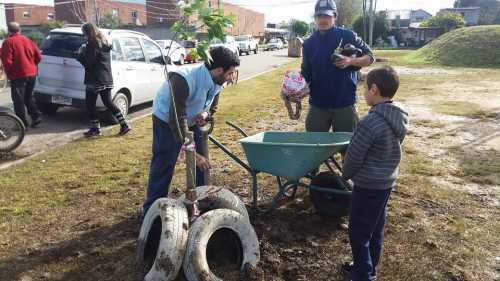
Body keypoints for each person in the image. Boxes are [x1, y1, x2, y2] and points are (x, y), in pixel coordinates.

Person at [142, 46, 240, 216]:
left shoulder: (217, 80)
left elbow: (213, 104)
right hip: (167, 121)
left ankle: (201, 200)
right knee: (164, 163)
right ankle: (151, 211)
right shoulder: (183, 79)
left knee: (203, 164)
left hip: (192, 119)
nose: (232, 77)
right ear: (218, 70)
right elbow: (177, 119)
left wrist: (206, 113)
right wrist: (191, 153)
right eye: (230, 73)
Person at [342, 66, 409, 281]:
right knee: (375, 228)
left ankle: (364, 275)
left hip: (368, 186)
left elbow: (354, 157)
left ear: (374, 89)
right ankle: (368, 267)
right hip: (385, 183)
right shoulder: (398, 117)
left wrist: (345, 175)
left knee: (358, 232)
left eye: (364, 88)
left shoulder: (369, 122)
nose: (362, 92)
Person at [301, 0, 374, 133]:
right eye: (319, 16)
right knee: (316, 146)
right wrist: (298, 88)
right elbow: (305, 73)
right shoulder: (308, 44)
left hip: (345, 103)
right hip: (318, 104)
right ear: (315, 18)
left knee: (347, 147)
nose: (323, 19)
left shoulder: (347, 35)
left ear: (335, 16)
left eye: (327, 16)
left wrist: (350, 61)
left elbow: (370, 57)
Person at [76, 22, 131, 137]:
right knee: (108, 102)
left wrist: (79, 55)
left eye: (83, 33)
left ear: (88, 32)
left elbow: (88, 63)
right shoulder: (104, 42)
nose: (83, 36)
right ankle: (124, 124)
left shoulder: (92, 44)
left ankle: (96, 129)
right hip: (106, 77)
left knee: (90, 104)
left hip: (94, 79)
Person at [0, 22, 42, 128]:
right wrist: (32, 65)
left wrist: (9, 74)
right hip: (31, 73)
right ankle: (36, 117)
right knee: (28, 96)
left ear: (9, 31)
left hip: (18, 75)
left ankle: (22, 124)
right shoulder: (28, 40)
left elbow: (7, 61)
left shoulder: (8, 42)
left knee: (18, 101)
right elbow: (38, 56)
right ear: (20, 30)